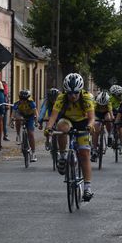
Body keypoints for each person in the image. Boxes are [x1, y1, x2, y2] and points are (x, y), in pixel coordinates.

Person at [43, 72, 96, 201]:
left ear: (80, 90)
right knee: (60, 127)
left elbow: (92, 118)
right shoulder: (61, 98)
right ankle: (62, 155)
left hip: (83, 122)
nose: (72, 96)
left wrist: (90, 126)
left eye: (76, 93)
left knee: (84, 154)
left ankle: (88, 187)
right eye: (70, 93)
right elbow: (54, 116)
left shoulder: (87, 97)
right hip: (68, 121)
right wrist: (48, 128)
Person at [11, 89, 38, 162]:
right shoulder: (17, 103)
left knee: (31, 134)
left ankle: (33, 152)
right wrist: (11, 120)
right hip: (21, 114)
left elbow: (35, 112)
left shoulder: (31, 102)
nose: (23, 101)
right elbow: (13, 113)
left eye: (25, 99)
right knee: (17, 118)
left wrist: (36, 121)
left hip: (30, 116)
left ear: (28, 98)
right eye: (21, 99)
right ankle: (18, 135)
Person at [91, 90, 113, 162]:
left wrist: (112, 118)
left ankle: (109, 135)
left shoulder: (109, 102)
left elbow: (110, 111)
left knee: (108, 118)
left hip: (106, 114)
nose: (102, 106)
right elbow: (92, 112)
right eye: (101, 105)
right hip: (97, 114)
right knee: (95, 129)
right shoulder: (95, 103)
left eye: (104, 105)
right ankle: (94, 150)